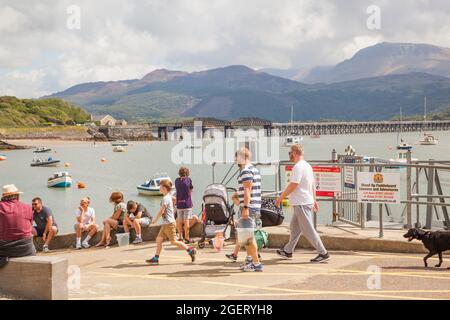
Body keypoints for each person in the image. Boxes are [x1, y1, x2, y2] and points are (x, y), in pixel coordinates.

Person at [276, 144, 330, 263]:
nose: (289, 154)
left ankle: (323, 252)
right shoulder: (307, 166)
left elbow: (294, 184)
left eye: (290, 152)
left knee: (308, 230)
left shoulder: (298, 167)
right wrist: (314, 199)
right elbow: (311, 185)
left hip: (301, 203)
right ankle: (288, 250)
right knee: (294, 228)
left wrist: (281, 197)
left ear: (295, 153)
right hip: (303, 202)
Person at [226, 147, 263, 272]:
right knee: (248, 236)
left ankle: (256, 264)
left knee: (247, 237)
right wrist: (239, 196)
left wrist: (245, 207)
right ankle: (251, 260)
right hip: (254, 206)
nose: (236, 160)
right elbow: (247, 189)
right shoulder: (254, 170)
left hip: (249, 207)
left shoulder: (245, 171)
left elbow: (248, 190)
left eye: (236, 157)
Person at [146, 180, 196, 264]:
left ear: (164, 188)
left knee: (174, 242)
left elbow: (162, 210)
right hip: (166, 223)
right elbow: (175, 199)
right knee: (159, 239)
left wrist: (155, 220)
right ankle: (156, 258)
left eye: (160, 186)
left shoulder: (166, 198)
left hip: (169, 223)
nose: (159, 188)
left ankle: (190, 250)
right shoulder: (168, 196)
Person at [0, 185, 35, 268]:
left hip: (4, 250)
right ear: (17, 196)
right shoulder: (28, 207)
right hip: (26, 249)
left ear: (4, 197)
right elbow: (30, 226)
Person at [175, 167, 194, 244]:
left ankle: (180, 237)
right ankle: (187, 238)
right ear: (187, 173)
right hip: (187, 204)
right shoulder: (188, 180)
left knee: (179, 220)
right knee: (186, 221)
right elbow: (191, 189)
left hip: (179, 204)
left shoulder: (176, 180)